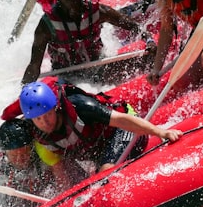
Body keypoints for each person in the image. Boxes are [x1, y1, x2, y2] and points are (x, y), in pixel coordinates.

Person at [12, 79, 183, 189]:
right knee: (89, 184)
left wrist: (160, 131)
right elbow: (61, 172)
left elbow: (122, 120)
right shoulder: (36, 134)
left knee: (105, 173)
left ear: (56, 107)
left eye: (48, 114)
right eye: (38, 119)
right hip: (99, 148)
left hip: (124, 130)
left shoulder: (80, 106)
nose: (45, 122)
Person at [21, 0, 154, 85]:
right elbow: (34, 66)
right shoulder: (46, 25)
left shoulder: (99, 12)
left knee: (146, 61)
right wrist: (24, 92)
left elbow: (134, 27)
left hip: (97, 66)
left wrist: (149, 40)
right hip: (65, 75)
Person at [0, 118, 56, 207]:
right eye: (14, 156)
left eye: (24, 154)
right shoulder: (0, 169)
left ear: (32, 149)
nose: (20, 159)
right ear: (6, 154)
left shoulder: (44, 157)